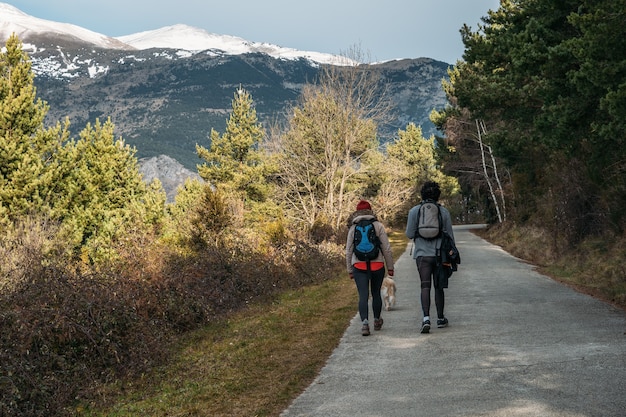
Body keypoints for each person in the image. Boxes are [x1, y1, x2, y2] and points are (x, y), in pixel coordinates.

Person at [405, 181, 455, 334]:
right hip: (439, 254)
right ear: (438, 195)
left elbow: (409, 234)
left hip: (421, 255)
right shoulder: (443, 212)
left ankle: (426, 318)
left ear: (422, 194)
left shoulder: (415, 211)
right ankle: (440, 318)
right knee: (439, 286)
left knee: (425, 286)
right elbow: (450, 236)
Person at [346, 200, 395, 336]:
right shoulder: (378, 225)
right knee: (375, 294)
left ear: (357, 212)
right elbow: (386, 248)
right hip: (377, 265)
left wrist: (350, 269)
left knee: (363, 295)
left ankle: (365, 324)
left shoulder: (353, 228)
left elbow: (348, 251)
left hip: (358, 265)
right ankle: (377, 320)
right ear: (370, 211)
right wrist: (390, 267)